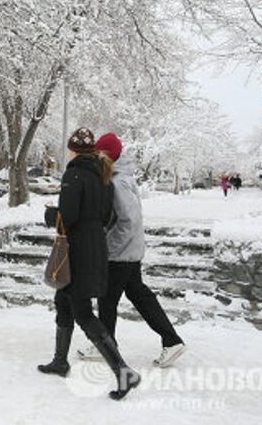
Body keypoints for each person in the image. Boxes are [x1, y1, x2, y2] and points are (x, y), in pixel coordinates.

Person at [38, 127, 140, 401]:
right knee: (63, 300)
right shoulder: (103, 174)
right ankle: (60, 361)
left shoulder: (74, 173)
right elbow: (107, 217)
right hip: (95, 247)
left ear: (73, 149)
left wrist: (51, 215)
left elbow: (68, 216)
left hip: (77, 250)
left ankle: (123, 372)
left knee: (82, 312)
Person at [78, 133, 186, 368]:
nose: (96, 157)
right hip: (129, 250)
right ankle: (171, 340)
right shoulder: (120, 176)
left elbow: (129, 219)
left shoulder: (118, 182)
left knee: (107, 299)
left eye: (99, 153)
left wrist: (109, 247)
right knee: (138, 295)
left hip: (121, 253)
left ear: (106, 155)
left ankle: (107, 344)